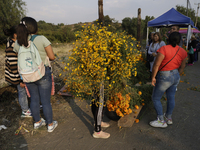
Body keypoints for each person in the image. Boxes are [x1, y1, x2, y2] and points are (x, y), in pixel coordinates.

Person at [14, 17, 58, 132]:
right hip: (43, 73)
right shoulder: (41, 39)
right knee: (45, 101)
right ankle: (50, 124)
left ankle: (37, 122)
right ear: (35, 27)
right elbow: (52, 57)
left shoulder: (18, 42)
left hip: (28, 75)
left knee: (33, 99)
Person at [150, 32, 187, 128]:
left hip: (164, 75)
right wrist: (176, 75)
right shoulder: (183, 51)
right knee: (171, 96)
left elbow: (156, 65)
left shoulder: (164, 49)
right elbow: (182, 67)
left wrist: (153, 77)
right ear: (180, 41)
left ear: (168, 39)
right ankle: (168, 118)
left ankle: (161, 120)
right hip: (176, 75)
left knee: (156, 98)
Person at [3, 26, 32, 118]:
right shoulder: (11, 46)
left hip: (18, 74)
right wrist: (20, 80)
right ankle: (25, 110)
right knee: (22, 91)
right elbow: (13, 64)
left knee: (23, 90)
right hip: (16, 75)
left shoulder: (13, 43)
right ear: (15, 35)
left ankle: (27, 106)